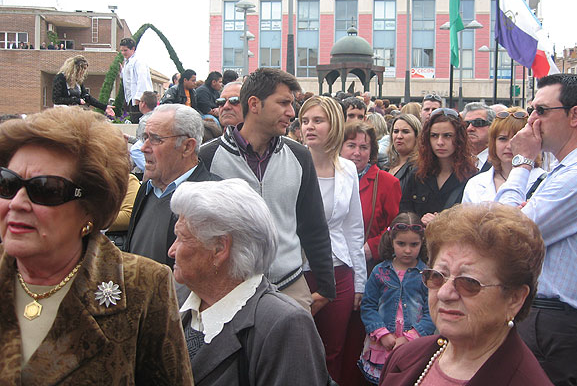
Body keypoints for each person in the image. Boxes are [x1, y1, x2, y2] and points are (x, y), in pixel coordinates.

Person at [0, 108, 192, 383]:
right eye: (7, 183)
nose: (17, 203)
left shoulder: (143, 286)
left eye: (45, 189)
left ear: (90, 209)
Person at [495, 73, 577, 386]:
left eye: (541, 110)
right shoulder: (568, 170)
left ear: (574, 115)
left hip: (553, 320)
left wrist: (523, 162)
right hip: (546, 317)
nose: (532, 121)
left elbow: (505, 233)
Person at [199, 68, 336, 312]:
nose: (292, 113)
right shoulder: (209, 156)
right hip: (228, 289)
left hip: (289, 286)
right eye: (283, 103)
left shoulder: (299, 156)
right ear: (254, 104)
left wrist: (326, 286)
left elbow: (313, 224)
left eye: (292, 104)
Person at [169, 179, 330, 386]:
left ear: (219, 249)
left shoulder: (283, 325)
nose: (172, 251)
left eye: (182, 238)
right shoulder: (178, 296)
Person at [380, 202, 551, 386]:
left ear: (514, 298)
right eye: (437, 276)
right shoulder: (405, 357)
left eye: (469, 282)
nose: (444, 293)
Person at [298, 96, 366, 383]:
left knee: (333, 351)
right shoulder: (290, 164)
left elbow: (354, 228)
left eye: (317, 120)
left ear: (334, 125)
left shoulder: (348, 169)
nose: (309, 127)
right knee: (298, 352)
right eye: (304, 121)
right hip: (297, 272)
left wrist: (359, 281)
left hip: (340, 272)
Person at [339, 120, 402, 385]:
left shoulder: (386, 182)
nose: (357, 152)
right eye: (351, 145)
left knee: (358, 336)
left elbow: (397, 227)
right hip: (335, 268)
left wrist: (372, 246)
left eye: (363, 147)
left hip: (370, 271)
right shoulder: (330, 177)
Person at [125, 104, 220, 267]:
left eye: (155, 139)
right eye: (144, 137)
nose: (144, 148)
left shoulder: (211, 198)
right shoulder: (147, 189)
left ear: (187, 147)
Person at [359, 212, 435, 384]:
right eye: (401, 244)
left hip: (414, 347)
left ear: (422, 243)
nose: (407, 250)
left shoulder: (426, 276)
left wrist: (411, 337)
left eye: (414, 244)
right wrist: (382, 333)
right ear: (391, 241)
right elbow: (368, 306)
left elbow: (432, 312)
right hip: (382, 344)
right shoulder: (379, 272)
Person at [400, 108, 476, 226]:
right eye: (434, 136)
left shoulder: (473, 178)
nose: (440, 142)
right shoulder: (417, 175)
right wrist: (419, 221)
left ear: (459, 138)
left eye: (447, 136)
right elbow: (404, 214)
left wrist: (442, 222)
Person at [462, 108, 546, 203]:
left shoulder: (545, 181)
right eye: (503, 139)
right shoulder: (475, 183)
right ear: (493, 142)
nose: (510, 145)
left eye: (517, 139)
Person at [119, 37, 153, 124]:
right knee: (134, 119)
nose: (123, 53)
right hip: (131, 97)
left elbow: (142, 79)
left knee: (140, 121)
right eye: (122, 50)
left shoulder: (138, 61)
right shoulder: (127, 62)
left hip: (139, 98)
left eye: (125, 50)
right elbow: (128, 79)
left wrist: (139, 97)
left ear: (133, 49)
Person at [386, 114, 422, 193]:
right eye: (396, 131)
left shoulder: (419, 169)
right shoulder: (386, 165)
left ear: (417, 136)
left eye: (405, 132)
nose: (399, 136)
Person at [461, 102, 495, 171]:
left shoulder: (500, 160)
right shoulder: (457, 160)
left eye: (478, 123)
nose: (469, 128)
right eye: (466, 124)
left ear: (492, 126)